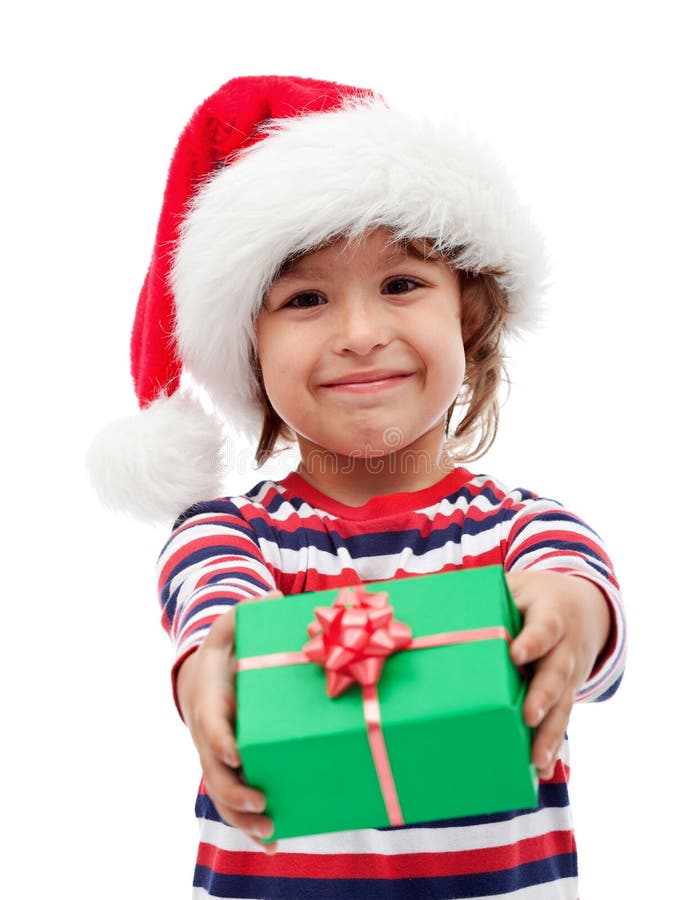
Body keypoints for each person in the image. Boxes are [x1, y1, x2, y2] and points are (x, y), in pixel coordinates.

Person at [88, 75, 626, 899]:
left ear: (468, 317)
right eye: (305, 298)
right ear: (248, 351)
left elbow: (575, 591)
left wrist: (570, 618)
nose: (362, 335)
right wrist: (211, 667)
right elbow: (214, 612)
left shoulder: (524, 528)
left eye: (402, 285)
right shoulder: (227, 535)